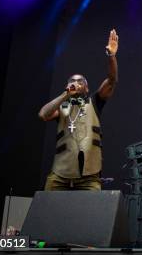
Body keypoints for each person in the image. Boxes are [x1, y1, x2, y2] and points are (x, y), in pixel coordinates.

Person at [38, 29, 119, 191]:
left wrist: (111, 56)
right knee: (47, 210)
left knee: (90, 214)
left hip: (89, 176)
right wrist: (65, 95)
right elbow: (43, 114)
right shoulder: (62, 107)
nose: (76, 83)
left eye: (80, 81)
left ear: (87, 88)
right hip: (60, 174)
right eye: (72, 81)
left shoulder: (94, 101)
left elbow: (112, 80)